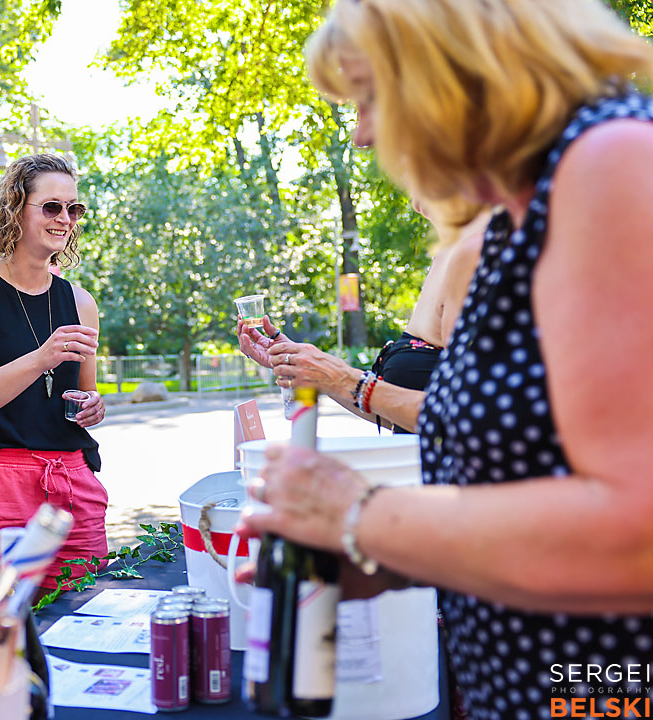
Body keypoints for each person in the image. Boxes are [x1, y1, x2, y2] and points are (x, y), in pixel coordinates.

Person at [240, 1, 653, 717]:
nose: (365, 135)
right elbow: (531, 481)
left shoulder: (613, 162)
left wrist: (358, 513)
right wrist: (382, 557)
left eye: (370, 99)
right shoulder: (521, 222)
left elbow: (638, 537)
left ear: (457, 70)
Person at [0, 154, 107, 607]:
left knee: (81, 625)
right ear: (16, 208)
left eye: (75, 208)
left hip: (71, 480)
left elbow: (85, 393)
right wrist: (40, 358)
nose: (65, 219)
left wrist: (95, 405)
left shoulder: (81, 301)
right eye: (52, 207)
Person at [239, 199, 490, 433]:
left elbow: (467, 415)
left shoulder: (478, 250)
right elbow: (398, 413)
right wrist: (308, 367)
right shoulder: (450, 251)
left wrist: (339, 377)